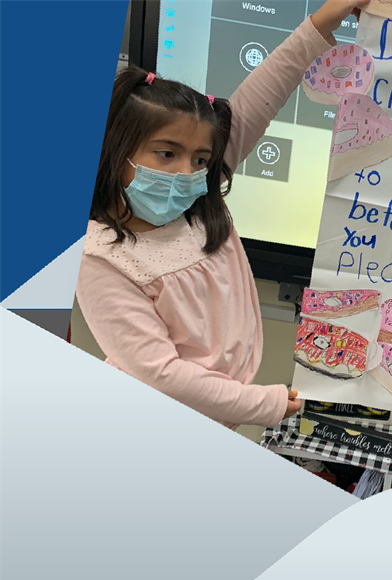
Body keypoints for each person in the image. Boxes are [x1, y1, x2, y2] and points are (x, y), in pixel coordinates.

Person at [75, 0, 370, 429]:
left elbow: (261, 96)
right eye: (166, 153)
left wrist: (323, 22)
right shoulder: (101, 257)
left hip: (214, 408)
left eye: (200, 159)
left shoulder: (197, 201)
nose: (186, 172)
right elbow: (161, 375)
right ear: (116, 153)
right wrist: (262, 404)